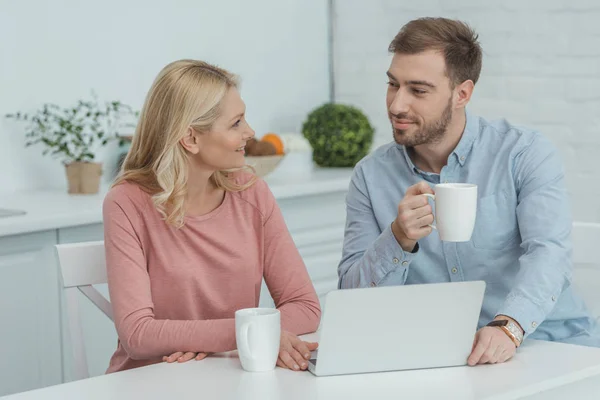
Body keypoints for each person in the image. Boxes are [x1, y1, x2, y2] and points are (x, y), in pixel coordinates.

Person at [338, 17, 599, 366]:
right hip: (450, 358)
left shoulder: (523, 154)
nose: (397, 105)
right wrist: (397, 239)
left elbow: (548, 254)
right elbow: (351, 299)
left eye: (418, 90)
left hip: (551, 344)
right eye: (392, 84)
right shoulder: (370, 176)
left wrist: (509, 327)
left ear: (462, 93)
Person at [103, 59, 321, 373]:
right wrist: (245, 334)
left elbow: (305, 305)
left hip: (232, 375)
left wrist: (205, 339)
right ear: (190, 138)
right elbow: (137, 334)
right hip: (151, 381)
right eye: (236, 123)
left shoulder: (251, 193)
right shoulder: (126, 203)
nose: (250, 132)